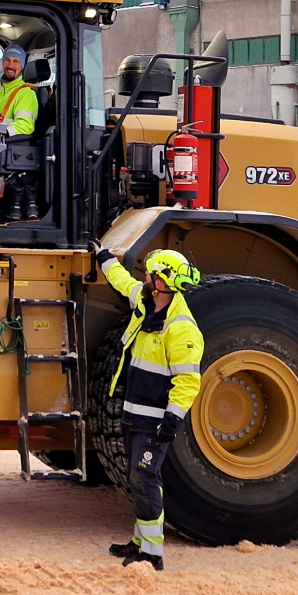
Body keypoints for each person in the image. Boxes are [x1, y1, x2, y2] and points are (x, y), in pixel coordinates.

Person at [92, 244, 204, 570]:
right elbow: (122, 281)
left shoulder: (181, 327)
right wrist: (104, 258)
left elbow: (188, 382)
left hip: (154, 421)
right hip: (134, 413)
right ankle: (139, 541)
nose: (145, 276)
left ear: (162, 282)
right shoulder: (145, 304)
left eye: (151, 273)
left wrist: (172, 421)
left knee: (145, 479)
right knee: (136, 480)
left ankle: (152, 555)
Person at [0, 45, 42, 221]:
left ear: (22, 66)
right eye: (7, 60)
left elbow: (26, 125)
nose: (10, 65)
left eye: (15, 61)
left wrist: (0, 132)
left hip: (11, 148)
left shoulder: (26, 93)